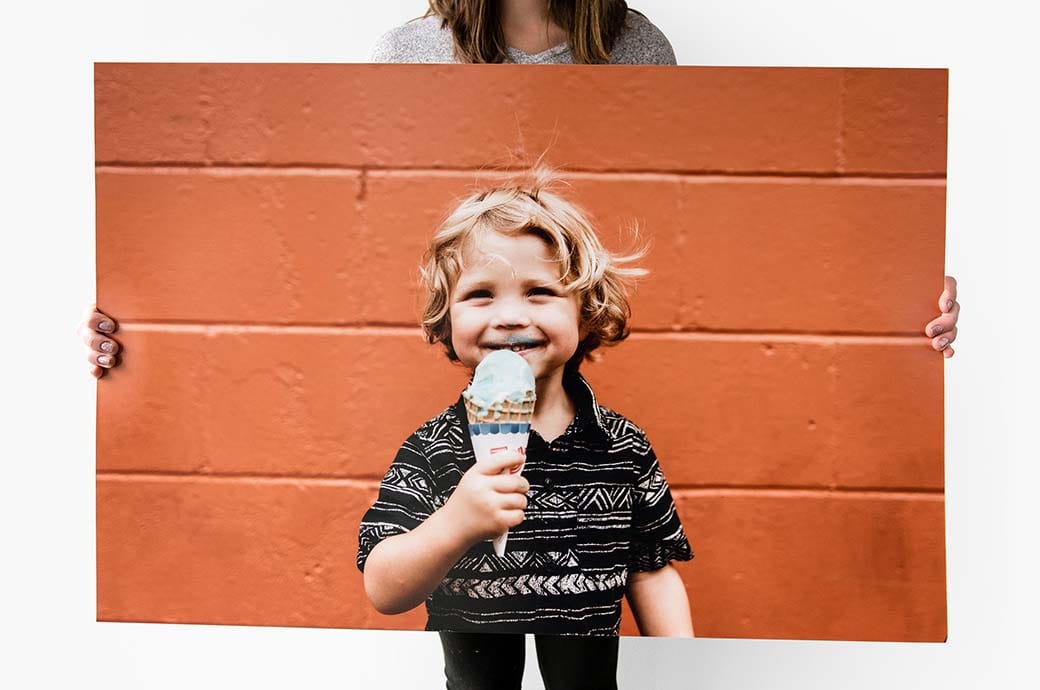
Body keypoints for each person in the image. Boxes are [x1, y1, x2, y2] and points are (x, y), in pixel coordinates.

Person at [78, 0, 961, 374]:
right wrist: (151, 332)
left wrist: (900, 321)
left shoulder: (639, 49)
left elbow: (692, 224)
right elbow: (355, 239)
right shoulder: (408, 53)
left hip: (586, 381)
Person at [357, 171, 692, 690]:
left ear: (586, 313)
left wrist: (683, 674)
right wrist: (457, 522)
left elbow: (650, 570)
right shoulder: (435, 449)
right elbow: (383, 586)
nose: (511, 315)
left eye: (539, 291)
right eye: (480, 295)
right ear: (445, 321)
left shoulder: (622, 446)